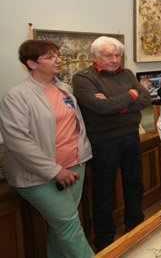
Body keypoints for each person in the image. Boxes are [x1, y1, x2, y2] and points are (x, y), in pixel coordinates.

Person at [0, 40, 94, 257]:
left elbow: (75, 127)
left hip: (74, 167)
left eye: (58, 55)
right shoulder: (16, 95)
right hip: (39, 176)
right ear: (32, 63)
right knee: (69, 225)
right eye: (50, 57)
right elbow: (18, 142)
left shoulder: (64, 88)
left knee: (61, 224)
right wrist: (55, 171)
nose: (58, 60)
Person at [72, 36, 151, 251]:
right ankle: (104, 240)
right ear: (95, 56)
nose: (114, 60)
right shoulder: (82, 78)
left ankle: (134, 226)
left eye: (117, 55)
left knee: (134, 184)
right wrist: (130, 96)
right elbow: (101, 108)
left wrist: (116, 102)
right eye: (109, 56)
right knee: (104, 192)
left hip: (131, 135)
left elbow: (145, 99)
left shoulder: (127, 74)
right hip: (103, 141)